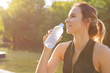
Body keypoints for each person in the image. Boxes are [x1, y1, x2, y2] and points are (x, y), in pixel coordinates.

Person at [35, 2, 110, 73]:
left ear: (87, 21)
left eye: (73, 16)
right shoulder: (61, 49)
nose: (66, 20)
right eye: (68, 17)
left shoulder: (103, 52)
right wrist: (47, 48)